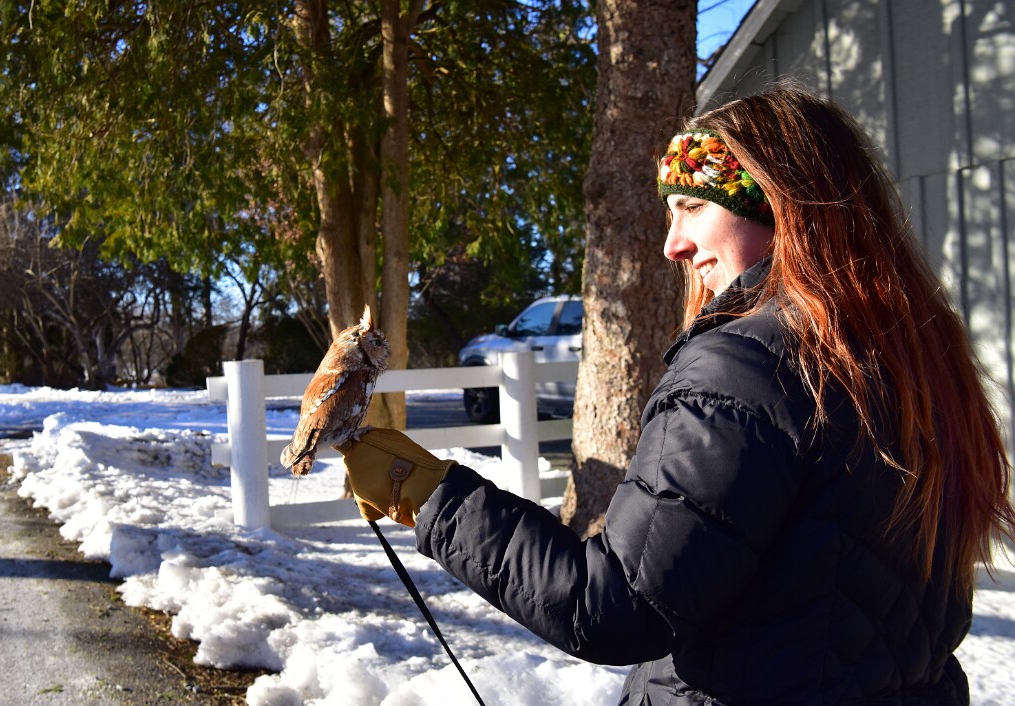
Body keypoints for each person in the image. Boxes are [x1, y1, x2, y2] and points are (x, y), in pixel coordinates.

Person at [339, 83, 1015, 705]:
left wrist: (426, 493)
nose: (672, 245)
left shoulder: (748, 367)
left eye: (692, 206)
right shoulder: (913, 362)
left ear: (778, 201)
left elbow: (616, 605)